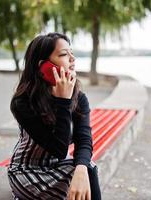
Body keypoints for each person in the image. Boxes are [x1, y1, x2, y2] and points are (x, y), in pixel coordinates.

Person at [7, 32, 101, 200]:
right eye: (64, 54)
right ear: (44, 66)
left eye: (71, 52)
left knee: (88, 168)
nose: (73, 59)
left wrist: (81, 169)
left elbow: (84, 139)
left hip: (58, 165)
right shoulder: (22, 102)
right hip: (27, 169)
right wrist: (63, 101)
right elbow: (59, 149)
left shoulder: (79, 98)